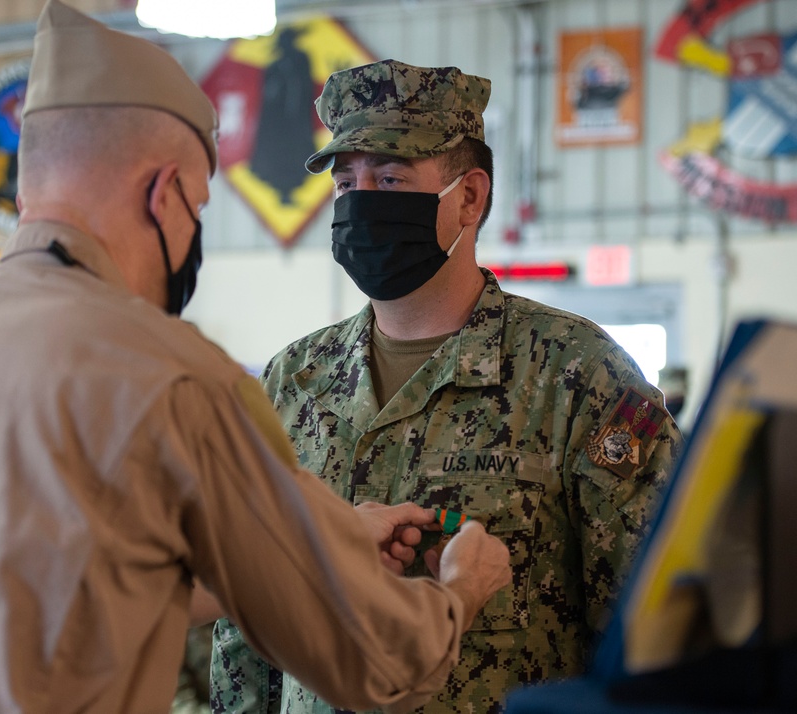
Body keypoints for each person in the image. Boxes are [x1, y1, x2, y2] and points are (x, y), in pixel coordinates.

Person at [0, 5, 513, 713]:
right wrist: (460, 590)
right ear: (164, 192)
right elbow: (378, 662)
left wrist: (328, 535)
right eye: (198, 207)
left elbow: (61, 594)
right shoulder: (172, 380)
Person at [210, 59, 683, 713]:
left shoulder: (577, 376)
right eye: (347, 183)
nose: (360, 201)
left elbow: (647, 631)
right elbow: (245, 623)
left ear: (470, 196)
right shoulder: (294, 383)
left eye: (390, 177)